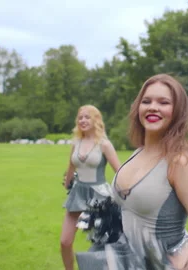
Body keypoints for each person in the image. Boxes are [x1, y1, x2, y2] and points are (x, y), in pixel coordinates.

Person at [110, 74, 188, 269]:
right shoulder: (137, 153)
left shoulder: (181, 163)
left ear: (177, 112)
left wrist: (187, 257)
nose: (153, 107)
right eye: (146, 101)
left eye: (163, 102)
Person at [61, 105, 121, 270]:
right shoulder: (76, 143)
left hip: (99, 198)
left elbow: (120, 171)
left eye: (87, 117)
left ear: (96, 120)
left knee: (104, 244)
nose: (83, 120)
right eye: (80, 117)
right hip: (78, 194)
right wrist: (67, 183)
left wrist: (126, 191)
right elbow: (71, 167)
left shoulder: (104, 145)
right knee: (65, 242)